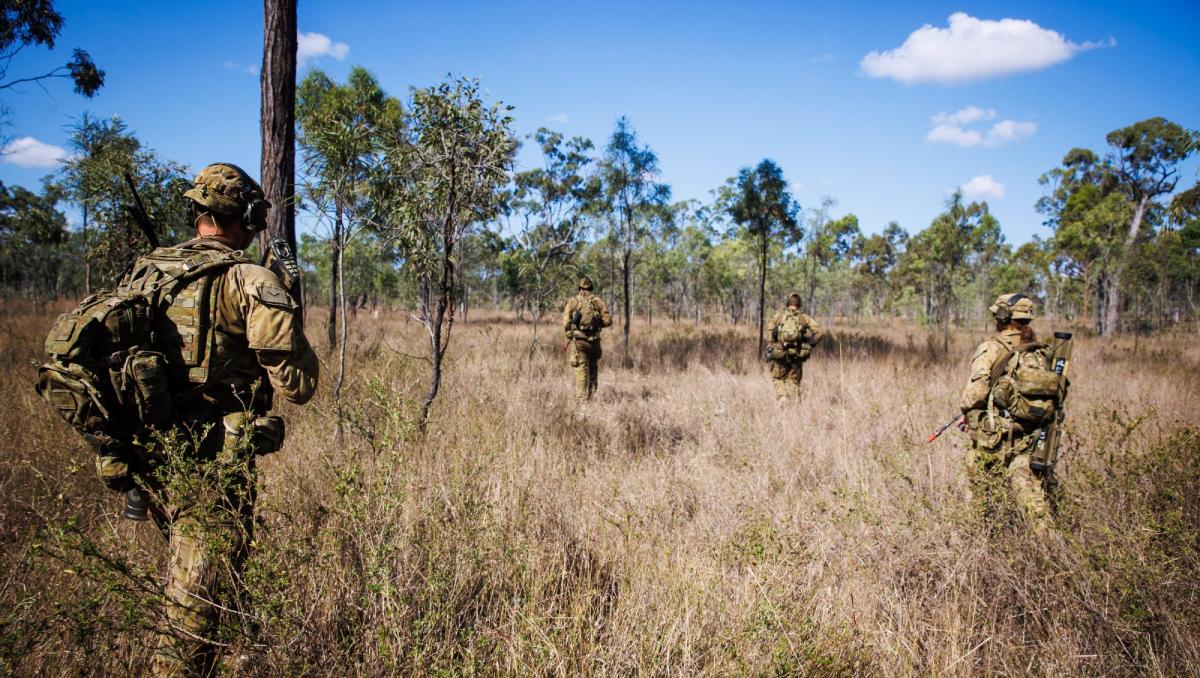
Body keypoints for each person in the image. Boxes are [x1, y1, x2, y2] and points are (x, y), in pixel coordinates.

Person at [137, 163, 319, 675]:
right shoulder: (249, 279)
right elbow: (299, 386)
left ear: (197, 212)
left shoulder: (147, 271)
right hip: (212, 458)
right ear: (248, 217)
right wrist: (288, 303)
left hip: (150, 453)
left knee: (199, 580)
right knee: (194, 604)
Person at [959, 293, 1055, 531]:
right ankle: (1054, 554)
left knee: (978, 501)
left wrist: (970, 416)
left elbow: (975, 392)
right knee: (1036, 510)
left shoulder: (991, 348)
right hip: (1031, 439)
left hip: (994, 439)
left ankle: (981, 546)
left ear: (1002, 316)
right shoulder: (1038, 352)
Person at [765, 293, 823, 404]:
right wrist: (810, 343)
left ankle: (782, 398)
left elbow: (770, 337)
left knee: (778, 379)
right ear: (799, 304)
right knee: (793, 381)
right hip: (797, 355)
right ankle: (793, 405)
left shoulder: (778, 316)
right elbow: (819, 333)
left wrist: (775, 342)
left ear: (788, 303)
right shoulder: (804, 318)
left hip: (780, 354)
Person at [562, 276, 612, 401]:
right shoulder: (598, 302)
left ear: (579, 288)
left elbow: (566, 324)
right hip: (594, 343)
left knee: (581, 372)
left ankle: (582, 402)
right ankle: (592, 397)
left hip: (580, 343)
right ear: (591, 288)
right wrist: (597, 323)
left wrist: (570, 333)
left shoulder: (572, 302)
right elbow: (608, 321)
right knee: (593, 370)